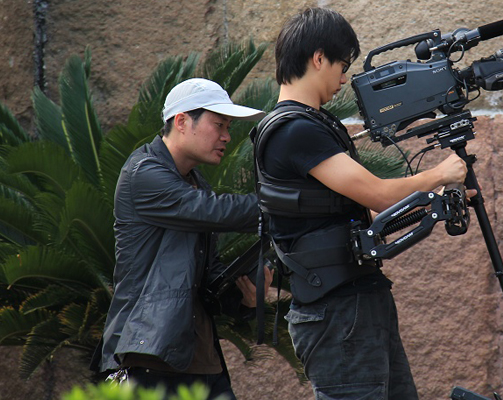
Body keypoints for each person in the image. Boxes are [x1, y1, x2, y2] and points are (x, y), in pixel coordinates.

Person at [252, 7, 470, 399]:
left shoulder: (307, 124)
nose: (344, 78)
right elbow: (378, 194)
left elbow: (357, 214)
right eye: (342, 65)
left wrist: (431, 202)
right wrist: (440, 173)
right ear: (319, 58)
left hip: (354, 305)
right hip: (338, 313)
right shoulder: (295, 130)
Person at [98, 78, 273, 399]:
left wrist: (244, 297)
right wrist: (282, 206)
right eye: (219, 124)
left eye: (228, 127)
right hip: (151, 358)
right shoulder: (144, 173)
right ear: (181, 122)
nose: (226, 136)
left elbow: (204, 278)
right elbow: (212, 210)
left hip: (201, 361)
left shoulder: (195, 182)